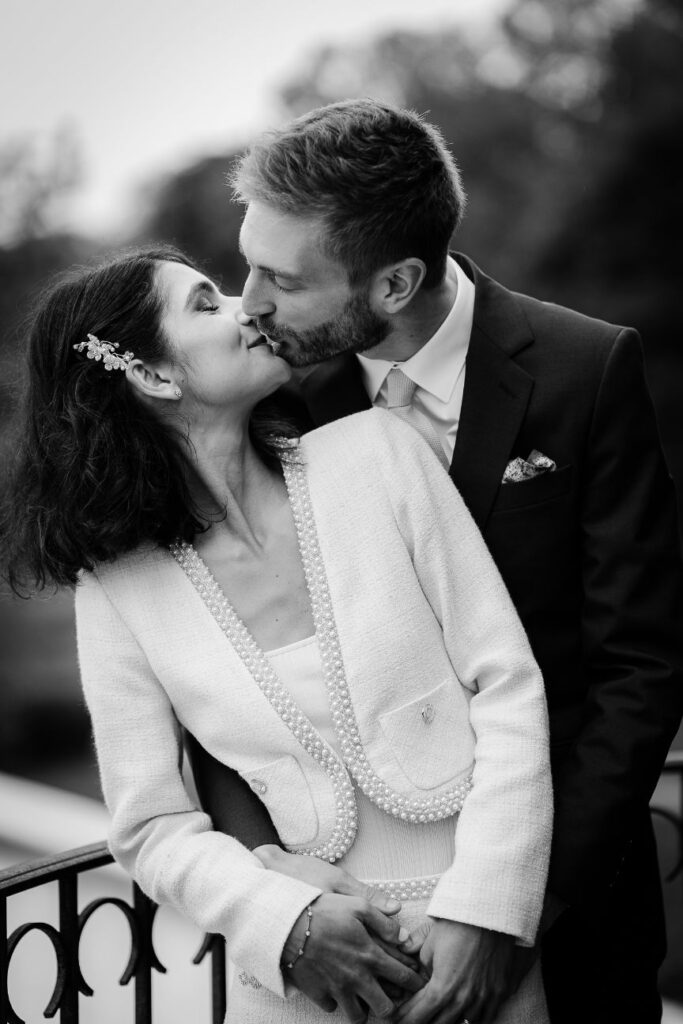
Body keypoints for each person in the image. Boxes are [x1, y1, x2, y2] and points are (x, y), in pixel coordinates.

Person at [187, 99, 683, 1024]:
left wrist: (511, 908)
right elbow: (222, 671)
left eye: (280, 280)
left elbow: (640, 669)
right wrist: (281, 889)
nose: (246, 304)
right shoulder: (280, 402)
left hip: (571, 919)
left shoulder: (586, 369)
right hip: (353, 931)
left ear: (394, 283)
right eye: (246, 264)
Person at [1, 246, 553, 1024]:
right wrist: (282, 923)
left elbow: (507, 685)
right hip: (307, 986)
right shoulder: (116, 589)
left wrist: (486, 911)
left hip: (476, 951)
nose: (248, 307)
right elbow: (150, 825)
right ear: (153, 377)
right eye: (205, 303)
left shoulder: (381, 453)